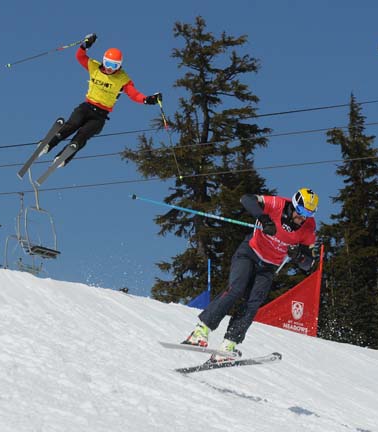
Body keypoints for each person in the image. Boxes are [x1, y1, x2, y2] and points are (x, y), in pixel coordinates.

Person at [183, 188, 320, 362]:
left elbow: (309, 263)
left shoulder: (308, 227)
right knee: (236, 289)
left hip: (269, 267)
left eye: (308, 214)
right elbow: (246, 198)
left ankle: (229, 344)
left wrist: (298, 256)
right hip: (250, 253)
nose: (302, 218)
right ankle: (200, 331)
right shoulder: (277, 204)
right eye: (300, 212)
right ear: (293, 205)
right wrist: (264, 219)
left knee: (253, 303)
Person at [39, 33, 162, 167]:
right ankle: (48, 144)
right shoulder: (94, 67)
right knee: (72, 125)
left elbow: (134, 95)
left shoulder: (122, 79)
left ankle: (63, 157)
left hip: (100, 116)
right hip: (86, 107)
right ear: (103, 61)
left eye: (114, 66)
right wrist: (85, 45)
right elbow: (80, 57)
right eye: (108, 63)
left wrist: (147, 99)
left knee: (82, 135)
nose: (109, 68)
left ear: (119, 66)